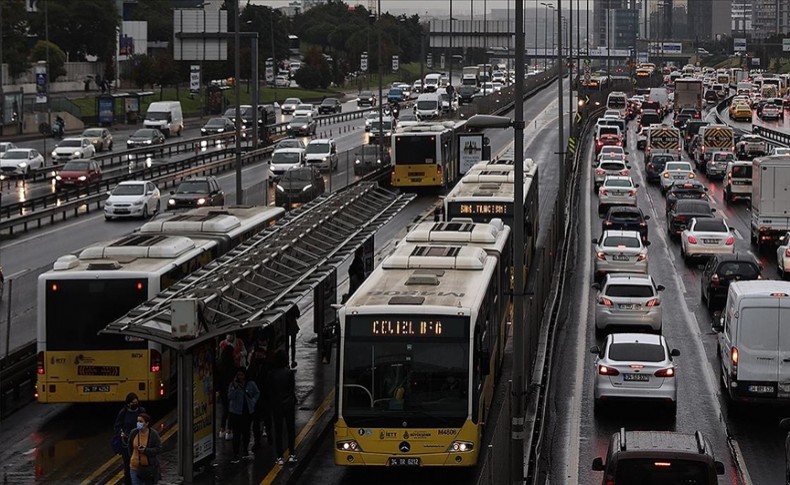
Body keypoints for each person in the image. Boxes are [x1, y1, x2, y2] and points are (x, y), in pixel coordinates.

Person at [269, 350, 297, 465]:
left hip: (277, 405)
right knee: (290, 430)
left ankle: (279, 456)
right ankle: (291, 454)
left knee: (278, 431)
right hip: (288, 404)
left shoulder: (271, 374)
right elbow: (292, 389)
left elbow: (270, 391)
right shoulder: (289, 373)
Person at [227, 368, 260, 463]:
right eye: (238, 375)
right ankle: (236, 453)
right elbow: (230, 396)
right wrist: (236, 387)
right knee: (236, 433)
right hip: (235, 412)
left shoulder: (251, 383)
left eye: (242, 375)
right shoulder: (233, 385)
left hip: (247, 412)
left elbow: (257, 393)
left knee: (246, 432)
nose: (240, 377)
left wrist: (253, 401)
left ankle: (245, 450)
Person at [248, 330, 274, 450]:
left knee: (261, 418)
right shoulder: (256, 356)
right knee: (259, 418)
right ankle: (263, 439)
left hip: (263, 393)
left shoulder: (268, 356)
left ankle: (266, 438)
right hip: (261, 393)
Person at [114, 393, 147, 485]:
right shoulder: (123, 412)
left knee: (140, 465)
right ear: (128, 403)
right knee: (128, 466)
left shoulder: (141, 411)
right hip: (127, 443)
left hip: (139, 441)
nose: (135, 404)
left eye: (136, 402)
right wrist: (121, 433)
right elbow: (117, 426)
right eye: (133, 403)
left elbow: (146, 424)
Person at [128, 413, 161, 485]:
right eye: (137, 421)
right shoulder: (133, 432)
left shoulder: (153, 434)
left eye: (141, 421)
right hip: (134, 467)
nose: (138, 423)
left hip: (148, 469)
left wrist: (146, 450)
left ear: (147, 423)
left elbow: (158, 449)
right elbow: (130, 447)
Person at [216, 344, 235, 441]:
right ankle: (229, 430)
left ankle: (222, 429)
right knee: (231, 410)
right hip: (230, 389)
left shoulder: (219, 364)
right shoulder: (231, 364)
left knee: (224, 410)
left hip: (222, 390)